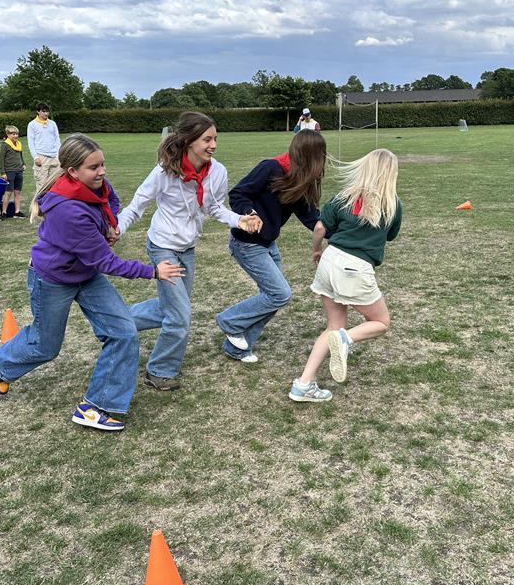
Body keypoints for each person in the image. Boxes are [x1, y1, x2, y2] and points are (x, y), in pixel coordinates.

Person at [0, 134, 183, 432]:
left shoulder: (96, 185)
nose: (102, 171)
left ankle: (96, 407)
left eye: (102, 164)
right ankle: (2, 362)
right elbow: (107, 262)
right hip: (53, 279)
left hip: (85, 274)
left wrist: (112, 224)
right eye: (94, 167)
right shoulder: (69, 210)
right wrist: (153, 272)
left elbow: (112, 200)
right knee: (46, 345)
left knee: (123, 332)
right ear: (72, 172)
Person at [117, 111, 261, 391]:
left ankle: (115, 320)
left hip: (187, 249)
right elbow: (137, 205)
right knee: (180, 315)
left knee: (169, 308)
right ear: (189, 141)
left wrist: (240, 220)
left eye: (215, 139)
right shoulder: (163, 171)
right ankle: (159, 370)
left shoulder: (217, 171)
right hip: (163, 247)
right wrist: (117, 230)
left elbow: (215, 208)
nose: (213, 145)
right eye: (207, 139)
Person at [289, 149, 402, 403]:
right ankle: (345, 339)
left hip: (330, 261)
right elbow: (391, 235)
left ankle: (303, 384)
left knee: (333, 326)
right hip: (354, 267)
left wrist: (316, 250)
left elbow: (320, 227)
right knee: (381, 322)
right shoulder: (393, 204)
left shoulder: (343, 198)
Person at [215, 130, 327, 363]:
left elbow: (310, 217)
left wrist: (341, 231)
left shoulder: (299, 179)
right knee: (279, 294)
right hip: (246, 243)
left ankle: (237, 348)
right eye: (321, 156)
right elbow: (238, 193)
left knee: (273, 296)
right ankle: (230, 322)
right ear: (310, 156)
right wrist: (250, 213)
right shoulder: (270, 167)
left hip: (267, 243)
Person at [27, 103, 61, 193]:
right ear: (38, 112)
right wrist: (35, 157)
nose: (46, 114)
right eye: (43, 111)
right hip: (41, 158)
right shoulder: (32, 124)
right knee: (42, 186)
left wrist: (58, 155)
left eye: (47, 111)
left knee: (55, 184)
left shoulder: (52, 124)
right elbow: (30, 142)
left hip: (55, 157)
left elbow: (57, 139)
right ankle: (40, 207)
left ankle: (52, 206)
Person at [0, 125, 27, 218]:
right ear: (8, 134)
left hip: (19, 171)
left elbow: (20, 156)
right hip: (9, 172)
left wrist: (23, 163)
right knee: (8, 192)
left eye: (16, 134)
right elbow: (1, 160)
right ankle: (4, 212)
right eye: (13, 134)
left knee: (18, 192)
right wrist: (3, 173)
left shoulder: (19, 144)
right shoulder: (5, 145)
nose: (15, 136)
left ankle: (17, 211)